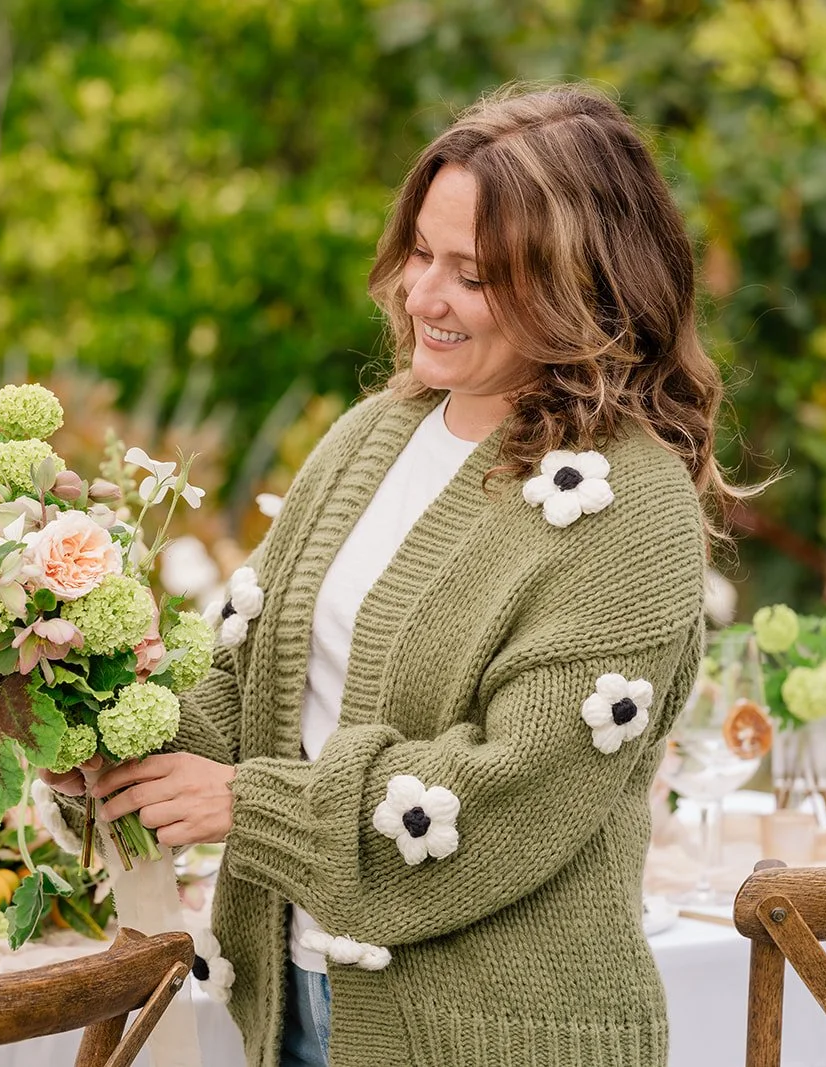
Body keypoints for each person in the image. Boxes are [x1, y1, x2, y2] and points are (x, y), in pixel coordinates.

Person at [45, 82, 742, 1067]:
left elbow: (511, 793)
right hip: (293, 1002)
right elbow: (253, 686)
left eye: (473, 272)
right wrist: (94, 731)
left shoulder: (630, 509)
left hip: (494, 1039)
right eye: (421, 251)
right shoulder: (373, 435)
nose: (422, 295)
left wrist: (248, 804)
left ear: (581, 284)